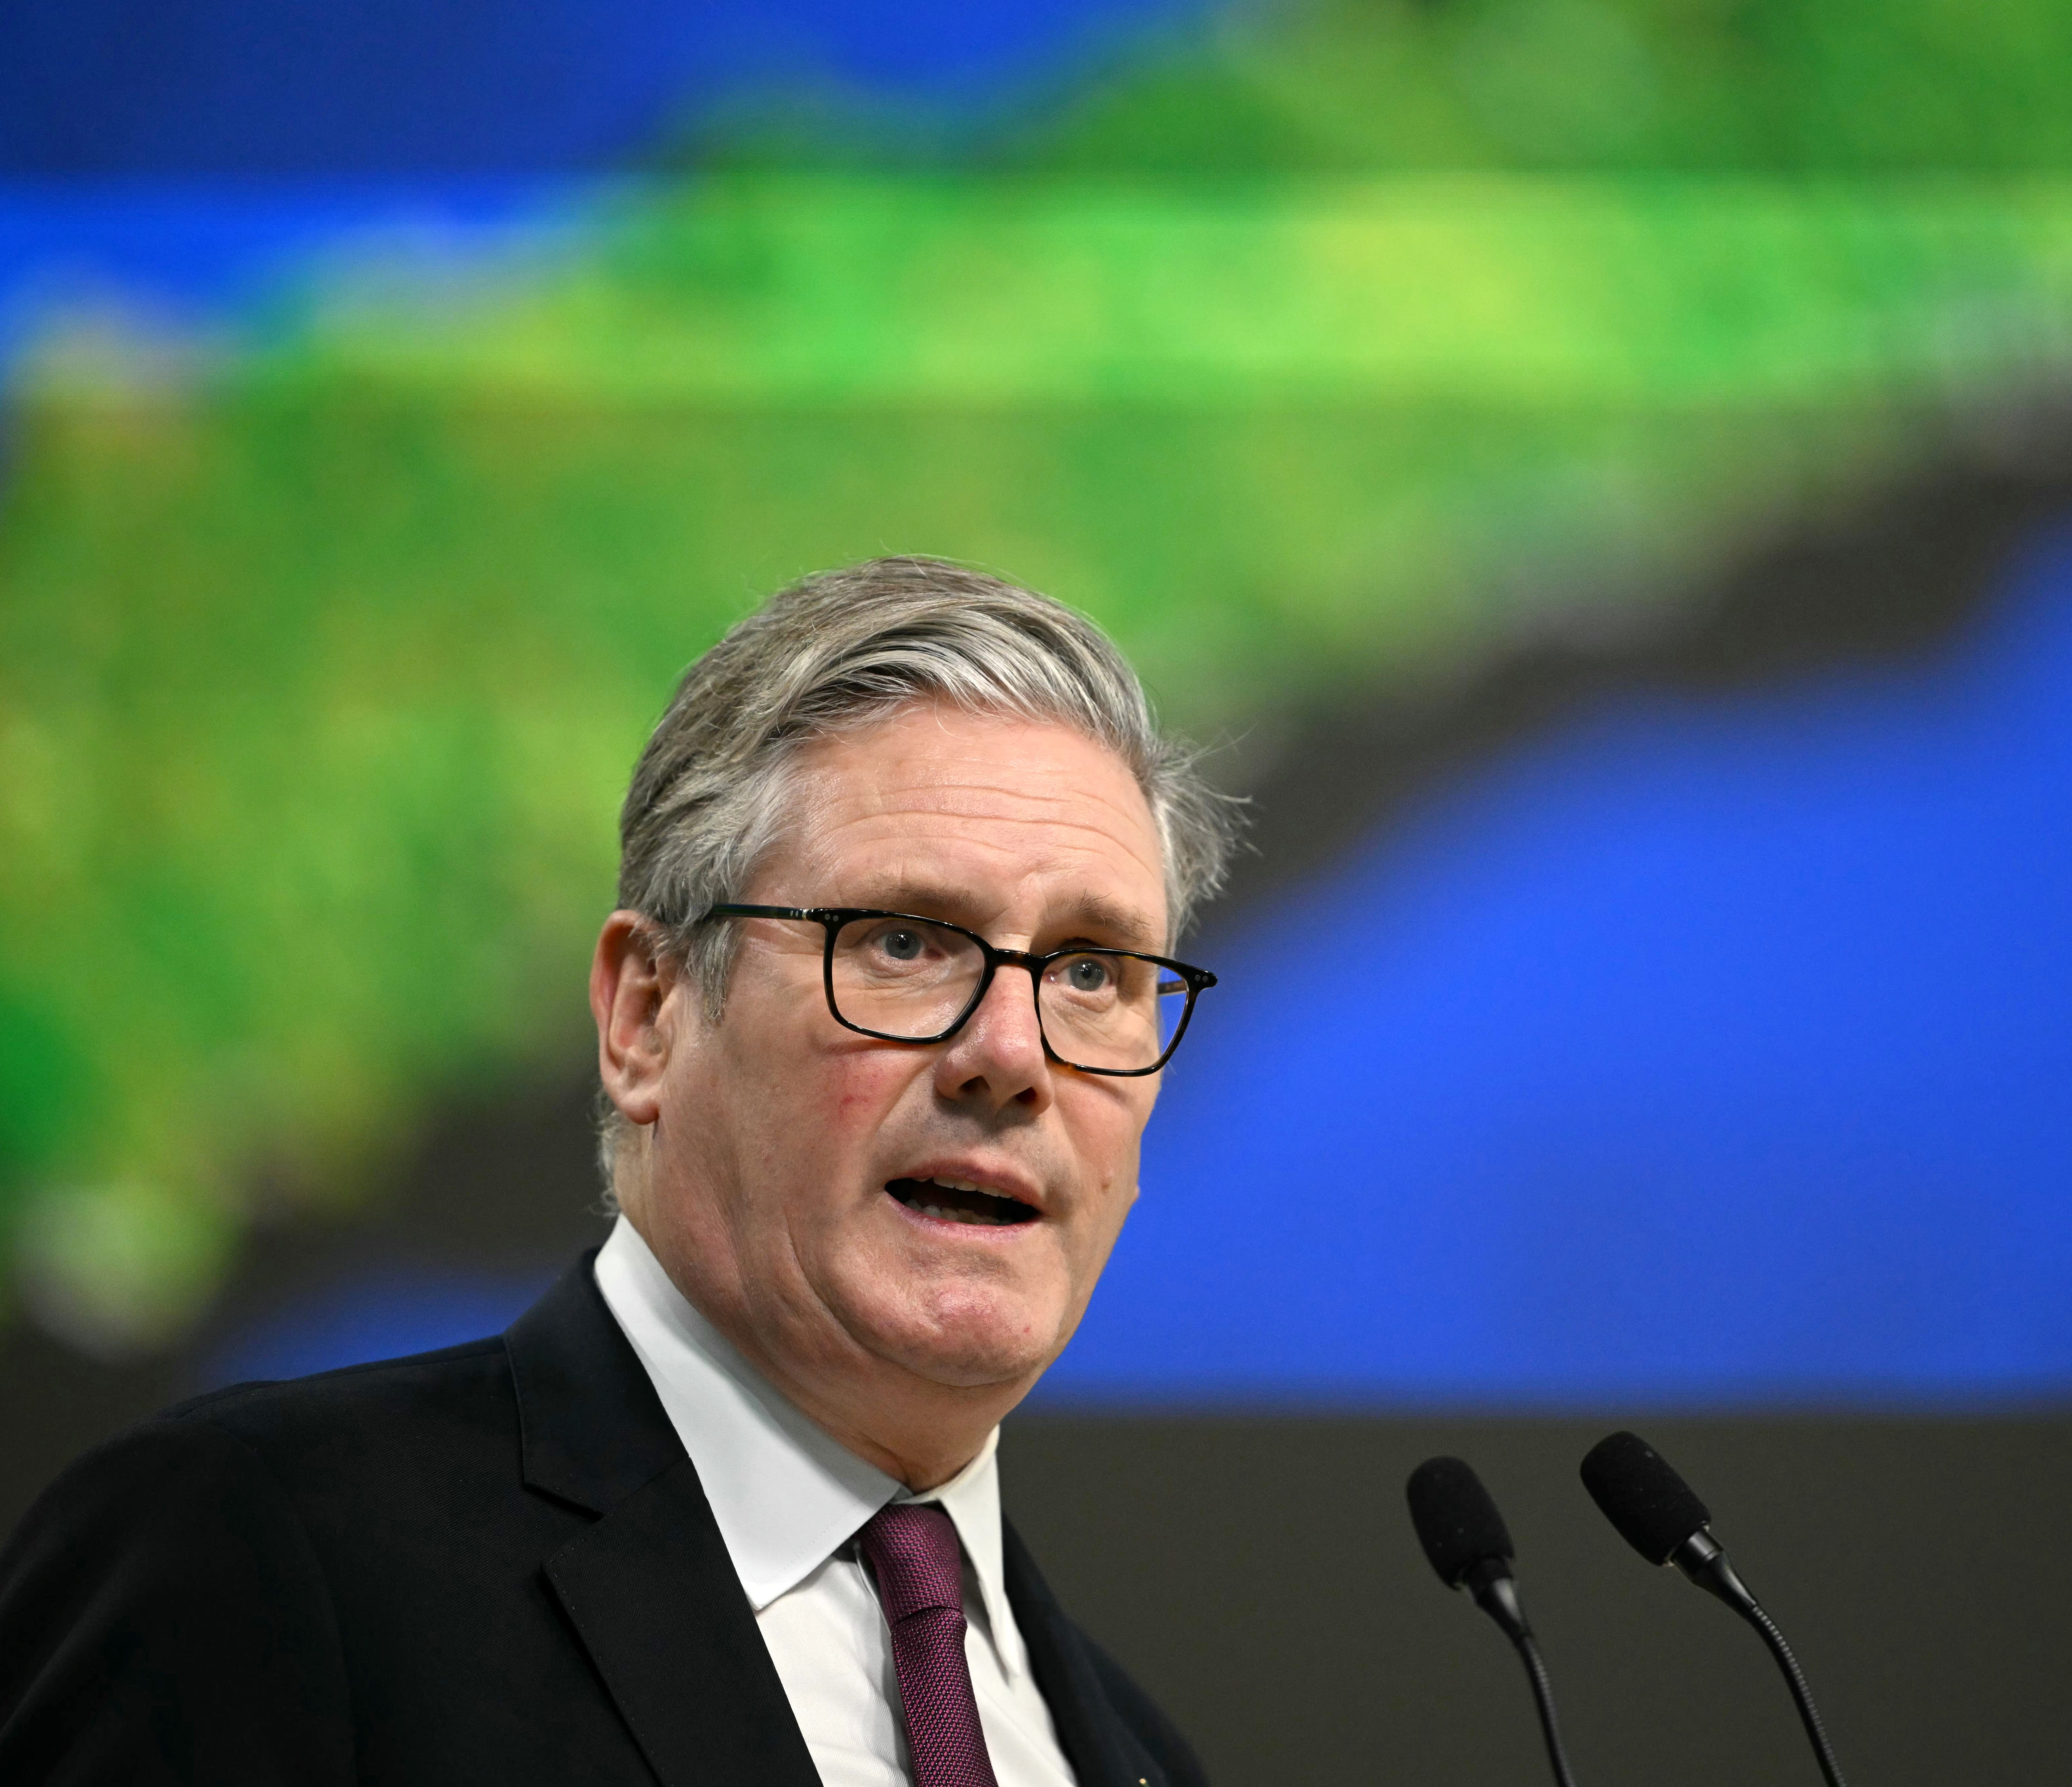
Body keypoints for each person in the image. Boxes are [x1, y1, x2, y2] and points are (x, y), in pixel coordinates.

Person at [0, 558, 1239, 1786]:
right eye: (903, 941)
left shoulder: (1132, 1754)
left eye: (1092, 973)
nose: (1013, 1055)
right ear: (647, 1015)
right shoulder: (261, 1559)